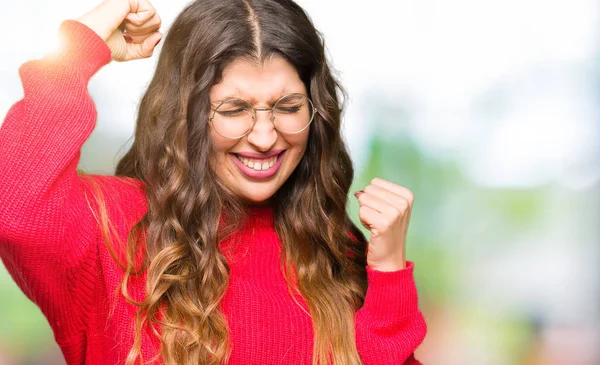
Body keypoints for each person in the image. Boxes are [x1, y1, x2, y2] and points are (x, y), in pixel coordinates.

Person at [0, 0, 427, 364]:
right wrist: (78, 49)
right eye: (234, 109)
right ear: (184, 115)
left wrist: (388, 272)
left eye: (288, 106)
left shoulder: (337, 250)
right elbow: (13, 205)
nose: (264, 137)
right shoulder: (112, 229)